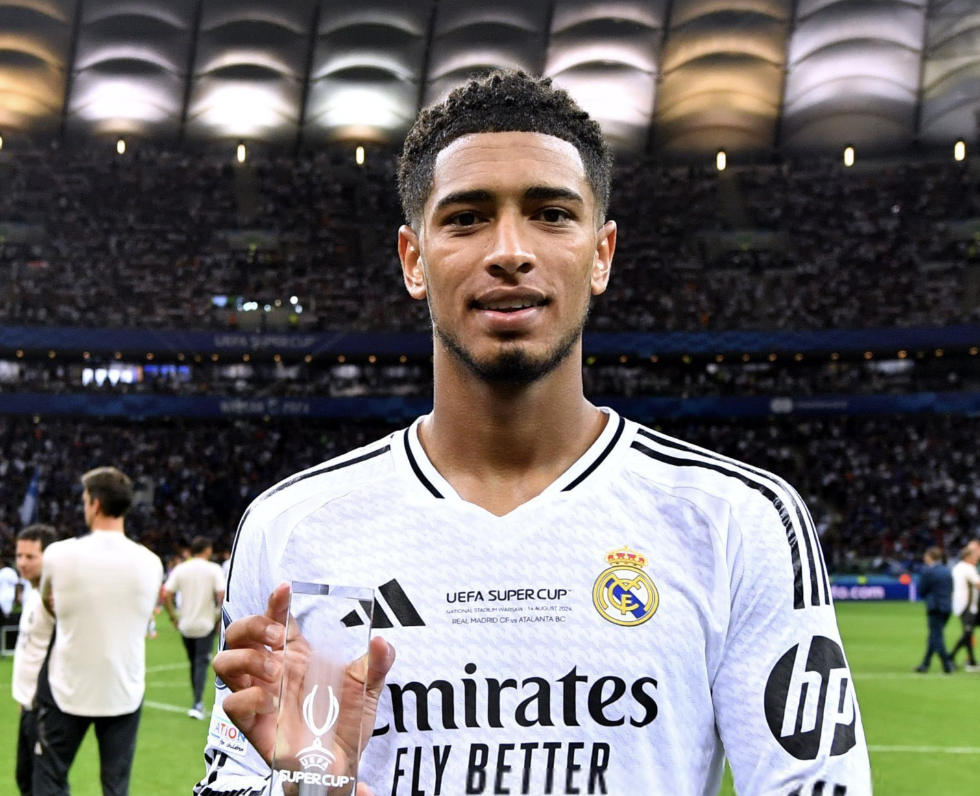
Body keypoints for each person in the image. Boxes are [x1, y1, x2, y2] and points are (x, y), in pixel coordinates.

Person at [199, 70, 871, 796]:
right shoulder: (297, 529)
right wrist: (312, 783)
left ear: (602, 253)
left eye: (551, 214)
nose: (510, 250)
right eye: (466, 218)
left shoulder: (736, 519)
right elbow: (238, 784)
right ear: (413, 260)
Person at [34, 467, 164, 796]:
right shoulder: (151, 562)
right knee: (116, 786)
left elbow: (47, 602)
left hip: (67, 685)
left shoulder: (58, 554)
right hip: (123, 688)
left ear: (94, 504)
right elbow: (147, 612)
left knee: (49, 777)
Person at [11, 524, 58, 796]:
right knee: (25, 780)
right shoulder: (32, 591)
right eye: (19, 555)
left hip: (45, 710)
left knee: (44, 786)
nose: (22, 563)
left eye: (30, 557)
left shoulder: (53, 597)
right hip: (28, 705)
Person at [162, 535, 225, 719]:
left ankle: (196, 700)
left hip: (185, 624)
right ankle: (197, 703)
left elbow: (166, 593)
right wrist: (219, 616)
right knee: (200, 662)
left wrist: (173, 616)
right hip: (205, 623)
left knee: (194, 662)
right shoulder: (213, 569)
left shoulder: (181, 568)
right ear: (206, 550)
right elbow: (222, 594)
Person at [914, 546, 954, 673]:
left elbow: (921, 590)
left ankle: (947, 663)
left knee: (936, 637)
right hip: (947, 607)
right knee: (934, 636)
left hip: (935, 607)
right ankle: (925, 664)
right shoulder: (947, 571)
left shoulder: (929, 572)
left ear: (930, 557)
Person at [949, 540, 980, 670]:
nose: (976, 560)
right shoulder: (968, 569)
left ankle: (967, 660)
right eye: (974, 557)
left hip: (961, 605)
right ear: (968, 557)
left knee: (968, 633)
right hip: (967, 606)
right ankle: (963, 660)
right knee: (968, 633)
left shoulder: (958, 567)